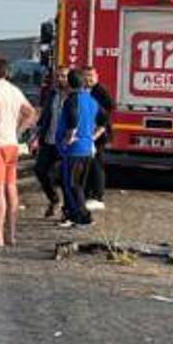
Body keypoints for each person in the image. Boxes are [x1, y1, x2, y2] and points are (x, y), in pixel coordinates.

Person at [0, 56, 37, 248]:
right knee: (11, 188)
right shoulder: (14, 90)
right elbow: (30, 113)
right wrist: (17, 131)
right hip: (11, 144)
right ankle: (10, 233)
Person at [56, 69, 101, 228]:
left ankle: (84, 218)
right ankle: (74, 215)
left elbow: (73, 119)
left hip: (74, 149)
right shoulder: (92, 100)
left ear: (69, 82)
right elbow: (102, 122)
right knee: (79, 185)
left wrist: (69, 138)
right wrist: (91, 137)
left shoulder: (72, 100)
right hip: (87, 148)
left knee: (72, 184)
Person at [33, 67, 70, 218]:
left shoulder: (73, 96)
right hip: (49, 140)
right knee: (40, 170)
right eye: (58, 76)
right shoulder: (52, 94)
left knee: (63, 177)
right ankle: (54, 199)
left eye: (63, 76)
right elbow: (44, 116)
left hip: (65, 143)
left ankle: (67, 210)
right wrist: (35, 135)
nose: (60, 79)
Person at [82, 65, 113, 212]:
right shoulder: (86, 90)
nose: (88, 79)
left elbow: (109, 107)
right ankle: (88, 193)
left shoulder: (100, 90)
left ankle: (98, 196)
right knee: (88, 165)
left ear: (96, 76)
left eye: (91, 76)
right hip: (88, 133)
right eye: (86, 76)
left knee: (96, 166)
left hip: (99, 135)